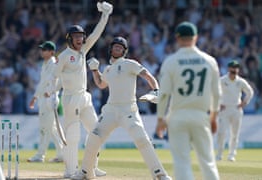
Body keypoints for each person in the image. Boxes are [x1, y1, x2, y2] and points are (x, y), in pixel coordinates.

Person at [71, 36, 171, 180]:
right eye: (115, 46)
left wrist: (156, 90)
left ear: (124, 51)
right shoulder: (108, 69)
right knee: (93, 138)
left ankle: (159, 174)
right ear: (111, 49)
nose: (117, 48)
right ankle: (86, 172)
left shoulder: (130, 64)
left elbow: (148, 76)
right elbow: (101, 84)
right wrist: (94, 70)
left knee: (142, 139)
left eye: (120, 47)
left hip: (128, 110)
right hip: (111, 110)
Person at [53, 1, 113, 178]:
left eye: (81, 36)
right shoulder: (64, 56)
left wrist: (105, 15)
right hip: (71, 99)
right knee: (72, 136)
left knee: (96, 132)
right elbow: (53, 76)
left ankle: (91, 167)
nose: (80, 39)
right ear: (69, 38)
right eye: (76, 36)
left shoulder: (83, 51)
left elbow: (96, 33)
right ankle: (70, 171)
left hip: (84, 97)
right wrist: (52, 94)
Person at [155, 21, 221, 180]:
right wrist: (214, 116)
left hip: (178, 116)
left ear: (177, 38)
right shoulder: (209, 61)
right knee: (208, 161)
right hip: (201, 115)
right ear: (196, 37)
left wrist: (160, 119)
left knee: (182, 162)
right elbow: (217, 93)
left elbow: (163, 94)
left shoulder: (171, 61)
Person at [27, 41, 64, 163]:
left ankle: (40, 155)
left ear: (51, 52)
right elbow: (42, 82)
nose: (41, 51)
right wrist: (35, 97)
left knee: (45, 128)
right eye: (42, 49)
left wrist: (50, 91)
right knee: (52, 129)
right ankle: (62, 154)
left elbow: (58, 80)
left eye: (44, 50)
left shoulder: (54, 63)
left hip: (50, 99)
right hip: (44, 99)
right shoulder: (45, 63)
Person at [216, 60, 254, 162]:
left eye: (236, 68)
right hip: (224, 110)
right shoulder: (222, 80)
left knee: (234, 134)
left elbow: (250, 92)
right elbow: (214, 92)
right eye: (233, 67)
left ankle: (231, 155)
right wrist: (218, 103)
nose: (234, 70)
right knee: (221, 133)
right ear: (229, 69)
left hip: (236, 109)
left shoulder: (240, 81)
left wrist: (244, 102)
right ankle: (219, 154)